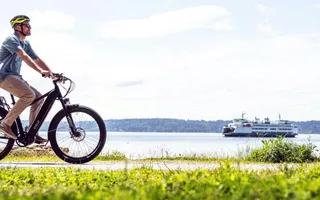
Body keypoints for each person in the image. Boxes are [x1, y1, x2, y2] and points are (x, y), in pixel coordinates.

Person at [0, 15, 54, 144]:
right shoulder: (11, 39)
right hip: (3, 76)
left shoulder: (25, 43)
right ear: (18, 27)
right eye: (27, 25)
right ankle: (5, 123)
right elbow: (24, 56)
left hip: (14, 76)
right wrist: (41, 71)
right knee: (29, 95)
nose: (30, 27)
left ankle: (32, 132)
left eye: (29, 25)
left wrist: (52, 73)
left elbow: (36, 59)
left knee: (38, 98)